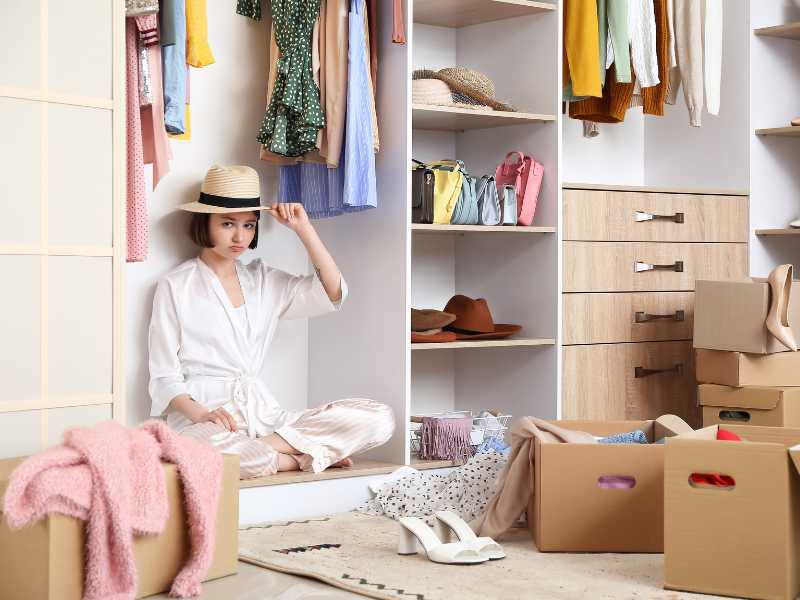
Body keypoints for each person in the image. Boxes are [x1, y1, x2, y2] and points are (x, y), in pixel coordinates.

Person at [148, 164, 394, 478]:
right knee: (222, 456)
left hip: (264, 417)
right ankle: (304, 455)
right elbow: (164, 376)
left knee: (379, 419)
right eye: (227, 224)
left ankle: (269, 449)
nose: (240, 236)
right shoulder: (176, 285)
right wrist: (204, 414)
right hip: (203, 421)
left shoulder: (263, 280)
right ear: (204, 222)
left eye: (249, 225)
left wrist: (304, 229)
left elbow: (333, 292)